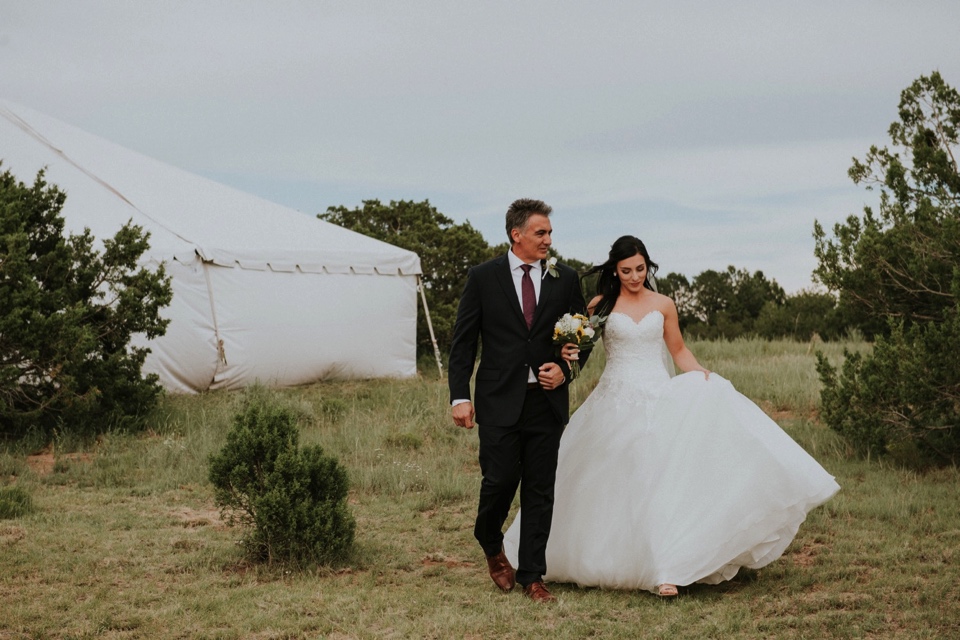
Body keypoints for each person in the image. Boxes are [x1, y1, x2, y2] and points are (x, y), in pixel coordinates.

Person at [503, 235, 840, 596]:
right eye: (626, 270)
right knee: (605, 479)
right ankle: (576, 554)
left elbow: (678, 351)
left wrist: (701, 376)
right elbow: (579, 351)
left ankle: (668, 568)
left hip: (657, 397)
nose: (634, 276)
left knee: (661, 482)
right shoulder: (600, 305)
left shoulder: (664, 304)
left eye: (640, 269)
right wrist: (565, 355)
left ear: (649, 266)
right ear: (614, 271)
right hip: (613, 399)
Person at [448, 198, 588, 603]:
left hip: (546, 402)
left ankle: (533, 576)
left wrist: (566, 370)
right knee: (500, 479)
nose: (548, 240)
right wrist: (460, 396)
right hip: (497, 399)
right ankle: (490, 540)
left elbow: (581, 336)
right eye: (540, 233)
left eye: (549, 233)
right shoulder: (482, 277)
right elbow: (463, 344)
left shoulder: (566, 278)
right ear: (517, 234)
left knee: (540, 489)